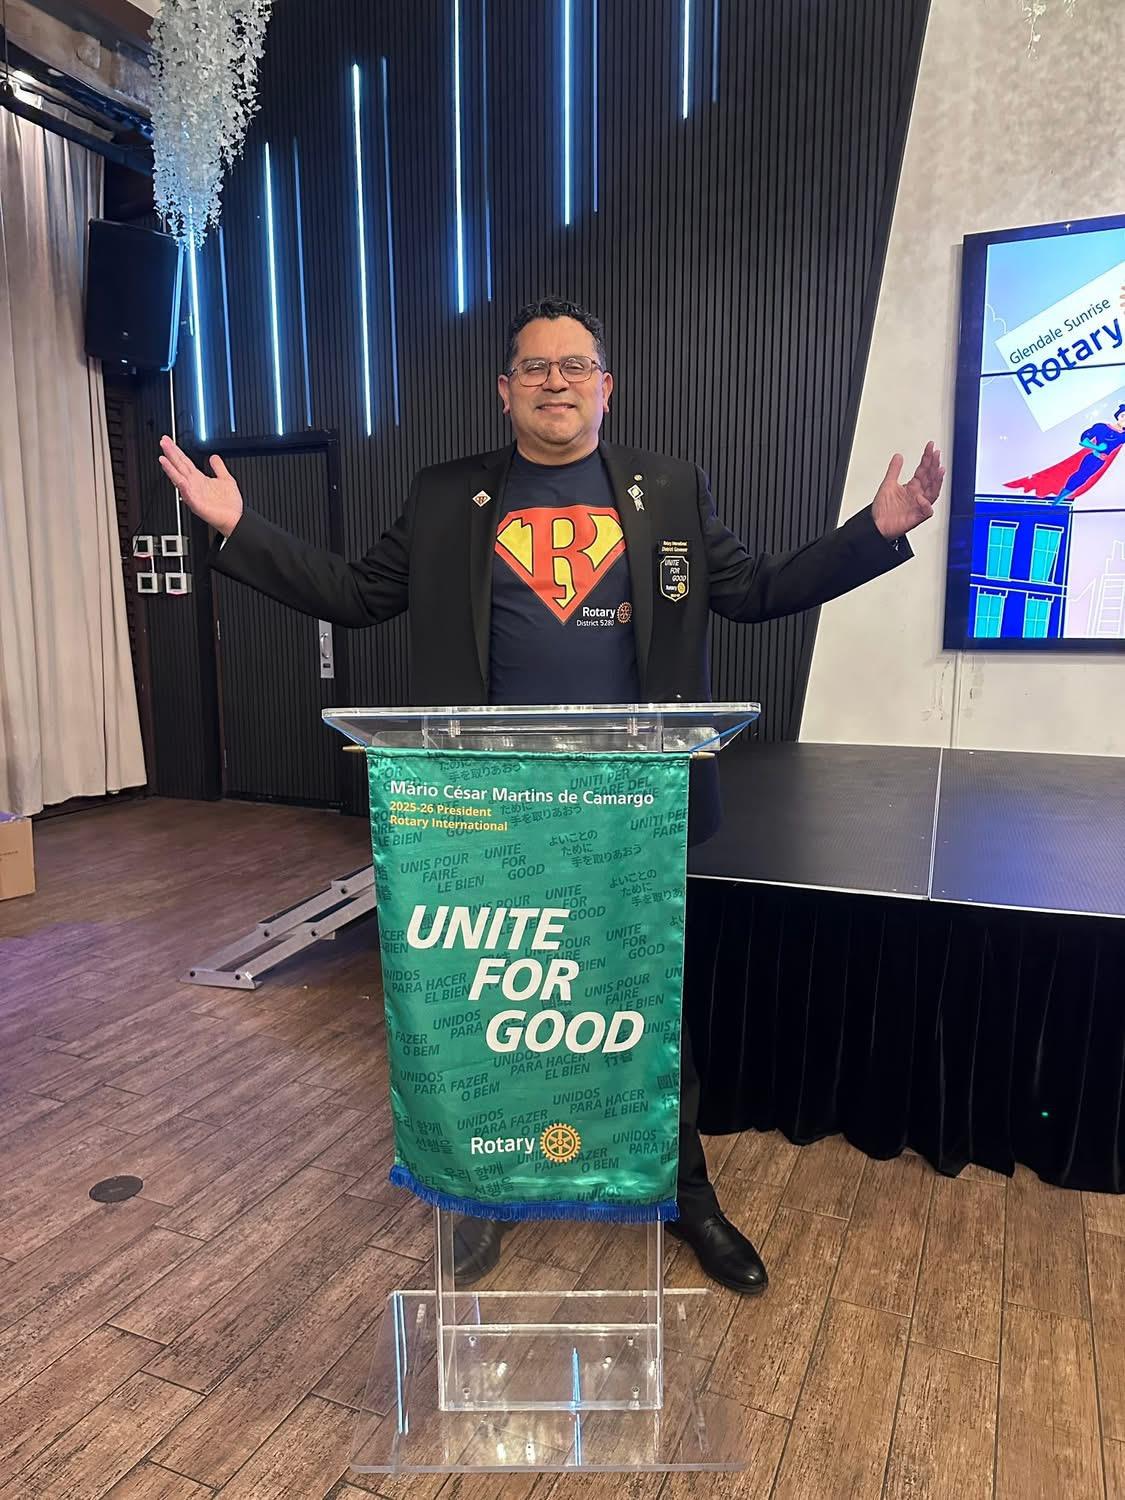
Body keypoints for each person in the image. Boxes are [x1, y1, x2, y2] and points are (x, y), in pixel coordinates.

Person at [159, 296, 944, 1295]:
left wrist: (873, 532)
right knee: (504, 1006)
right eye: (535, 367)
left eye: (575, 365)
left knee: (645, 1007)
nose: (556, 381)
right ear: (505, 390)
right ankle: (491, 1189)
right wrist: (240, 526)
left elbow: (754, 593)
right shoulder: (446, 496)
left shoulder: (669, 490)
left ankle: (683, 1191)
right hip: (491, 808)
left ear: (606, 387)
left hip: (632, 807)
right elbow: (356, 595)